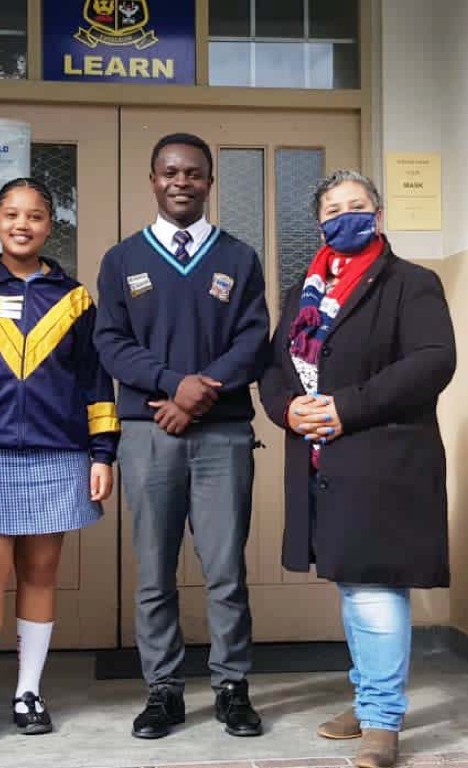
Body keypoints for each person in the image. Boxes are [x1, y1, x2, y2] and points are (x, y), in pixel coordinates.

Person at [259, 170, 455, 768]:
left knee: (372, 585)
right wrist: (287, 409)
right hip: (323, 460)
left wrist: (345, 408)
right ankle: (371, 695)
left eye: (358, 206)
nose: (346, 216)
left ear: (379, 213)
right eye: (334, 209)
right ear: (319, 223)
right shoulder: (304, 290)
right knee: (354, 583)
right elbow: (275, 369)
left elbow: (432, 361)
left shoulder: (410, 283)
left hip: (382, 458)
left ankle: (380, 723)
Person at [0, 177, 119, 742]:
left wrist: (102, 452)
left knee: (40, 571)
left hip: (58, 453)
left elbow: (94, 381)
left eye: (34, 215)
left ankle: (29, 691)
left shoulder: (75, 297)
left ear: (49, 226)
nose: (22, 224)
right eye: (11, 214)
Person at [94, 133, 269, 740]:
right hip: (148, 435)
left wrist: (204, 390)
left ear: (209, 182)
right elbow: (110, 342)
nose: (181, 182)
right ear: (152, 179)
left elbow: (254, 340)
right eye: (170, 171)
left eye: (194, 173)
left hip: (223, 436)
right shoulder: (122, 259)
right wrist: (174, 385)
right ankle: (164, 690)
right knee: (153, 573)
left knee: (225, 570)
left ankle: (231, 687)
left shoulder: (240, 257)